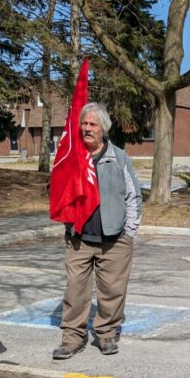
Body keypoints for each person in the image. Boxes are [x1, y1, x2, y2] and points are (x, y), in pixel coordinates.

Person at [54, 102, 143, 359]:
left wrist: (129, 232)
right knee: (75, 291)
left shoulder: (118, 157)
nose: (87, 128)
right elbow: (57, 194)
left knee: (113, 291)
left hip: (115, 239)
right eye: (84, 123)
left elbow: (133, 196)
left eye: (92, 124)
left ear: (103, 128)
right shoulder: (71, 157)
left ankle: (106, 334)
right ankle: (72, 338)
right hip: (79, 238)